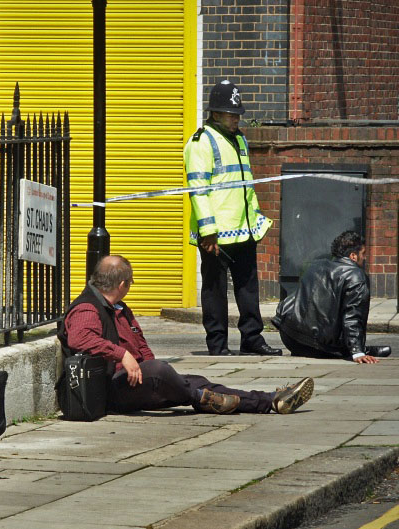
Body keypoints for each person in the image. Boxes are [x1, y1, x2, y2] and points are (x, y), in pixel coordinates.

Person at [59, 255, 313, 416]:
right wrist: (123, 355)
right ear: (122, 285)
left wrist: (145, 363)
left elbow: (143, 348)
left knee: (194, 380)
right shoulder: (87, 308)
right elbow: (80, 339)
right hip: (110, 390)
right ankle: (203, 398)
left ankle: (270, 401)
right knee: (165, 374)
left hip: (136, 380)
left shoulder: (121, 309)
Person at [184, 79, 281, 357]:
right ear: (215, 113)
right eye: (231, 113)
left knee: (248, 287)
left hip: (243, 228)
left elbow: (245, 185)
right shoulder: (200, 142)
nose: (236, 118)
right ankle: (217, 344)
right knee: (214, 291)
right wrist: (208, 231)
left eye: (238, 114)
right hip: (216, 232)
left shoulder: (239, 139)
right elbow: (198, 191)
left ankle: (252, 339)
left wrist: (256, 221)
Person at [272, 231, 391, 363]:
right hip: (317, 346)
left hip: (291, 337)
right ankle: (359, 349)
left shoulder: (315, 265)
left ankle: (359, 349)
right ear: (353, 256)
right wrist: (357, 351)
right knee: (353, 347)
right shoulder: (355, 275)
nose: (365, 258)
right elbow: (352, 315)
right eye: (363, 254)